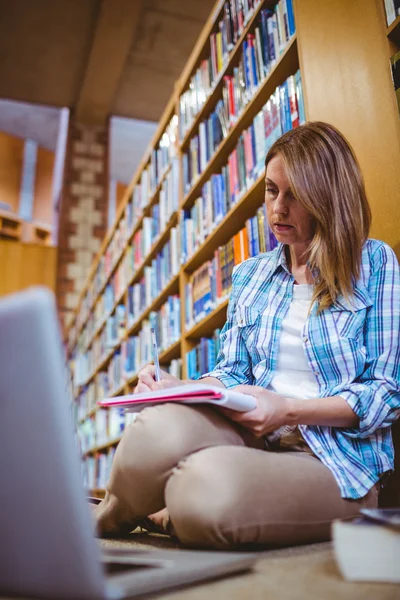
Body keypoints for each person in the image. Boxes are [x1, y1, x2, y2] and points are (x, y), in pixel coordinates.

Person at [95, 121, 400, 549]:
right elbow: (232, 371)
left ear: (329, 196)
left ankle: (171, 509)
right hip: (253, 436)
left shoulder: (376, 264)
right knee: (155, 428)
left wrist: (289, 409)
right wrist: (180, 388)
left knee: (203, 490)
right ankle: (108, 519)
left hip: (336, 462)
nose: (278, 209)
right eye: (272, 190)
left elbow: (384, 393)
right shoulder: (251, 274)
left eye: (295, 194)